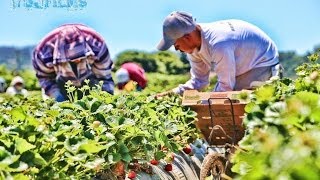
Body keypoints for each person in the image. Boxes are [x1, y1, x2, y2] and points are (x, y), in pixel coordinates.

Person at [156, 11, 282, 97]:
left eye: (176, 45)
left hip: (262, 63)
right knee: (217, 102)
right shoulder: (193, 49)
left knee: (237, 103)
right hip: (243, 64)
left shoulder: (219, 44)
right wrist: (170, 94)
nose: (177, 50)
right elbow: (199, 82)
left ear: (187, 37)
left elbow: (225, 87)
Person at [33, 24, 114, 102]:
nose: (77, 61)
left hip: (90, 77)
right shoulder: (42, 53)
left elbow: (104, 77)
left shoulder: (97, 44)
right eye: (71, 59)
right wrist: (58, 97)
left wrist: (107, 101)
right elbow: (45, 78)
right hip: (60, 81)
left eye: (81, 57)